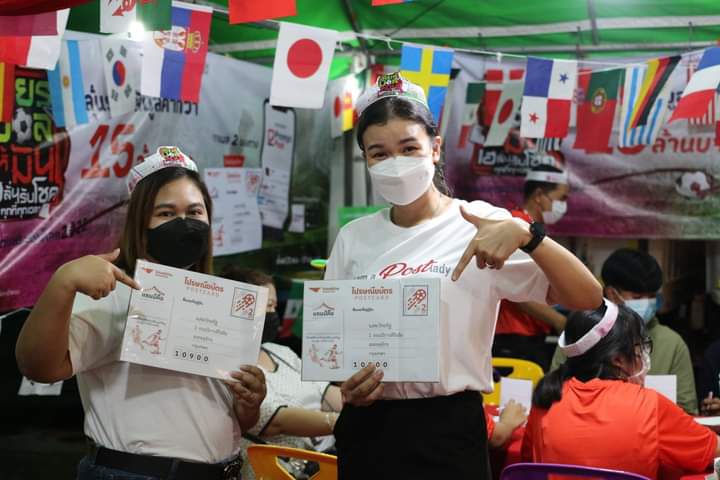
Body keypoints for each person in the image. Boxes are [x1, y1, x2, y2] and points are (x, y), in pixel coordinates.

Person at [325, 72, 602, 479]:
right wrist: (344, 385)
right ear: (365, 159)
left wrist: (529, 235)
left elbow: (588, 297)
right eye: (379, 153)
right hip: (367, 428)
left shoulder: (480, 222)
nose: (395, 163)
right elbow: (333, 344)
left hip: (449, 428)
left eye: (408, 148)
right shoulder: (354, 237)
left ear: (435, 148)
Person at [15, 146, 267, 480]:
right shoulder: (112, 294)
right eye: (166, 213)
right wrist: (63, 283)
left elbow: (230, 416)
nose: (184, 223)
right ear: (139, 223)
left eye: (195, 211)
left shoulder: (220, 306)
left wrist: (249, 404)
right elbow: (38, 366)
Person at [522, 301, 718, 477]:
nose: (643, 355)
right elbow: (713, 451)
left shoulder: (545, 398)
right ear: (618, 360)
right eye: (640, 347)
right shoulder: (649, 405)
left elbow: (528, 462)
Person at [220, 266, 343, 480]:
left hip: (326, 460)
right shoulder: (227, 365)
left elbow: (327, 394)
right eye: (268, 306)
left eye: (275, 306)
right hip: (281, 471)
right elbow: (276, 420)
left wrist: (364, 407)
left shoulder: (280, 352)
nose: (273, 314)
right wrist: (343, 422)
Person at [550, 248, 698, 414]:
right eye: (637, 297)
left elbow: (688, 410)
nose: (647, 303)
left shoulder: (672, 343)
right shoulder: (582, 337)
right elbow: (555, 397)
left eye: (651, 296)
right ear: (612, 294)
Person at [493, 163, 570, 370]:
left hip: (530, 335)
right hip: (513, 338)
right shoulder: (516, 228)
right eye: (561, 198)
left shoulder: (533, 229)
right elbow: (515, 290)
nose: (564, 205)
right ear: (539, 196)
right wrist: (560, 322)